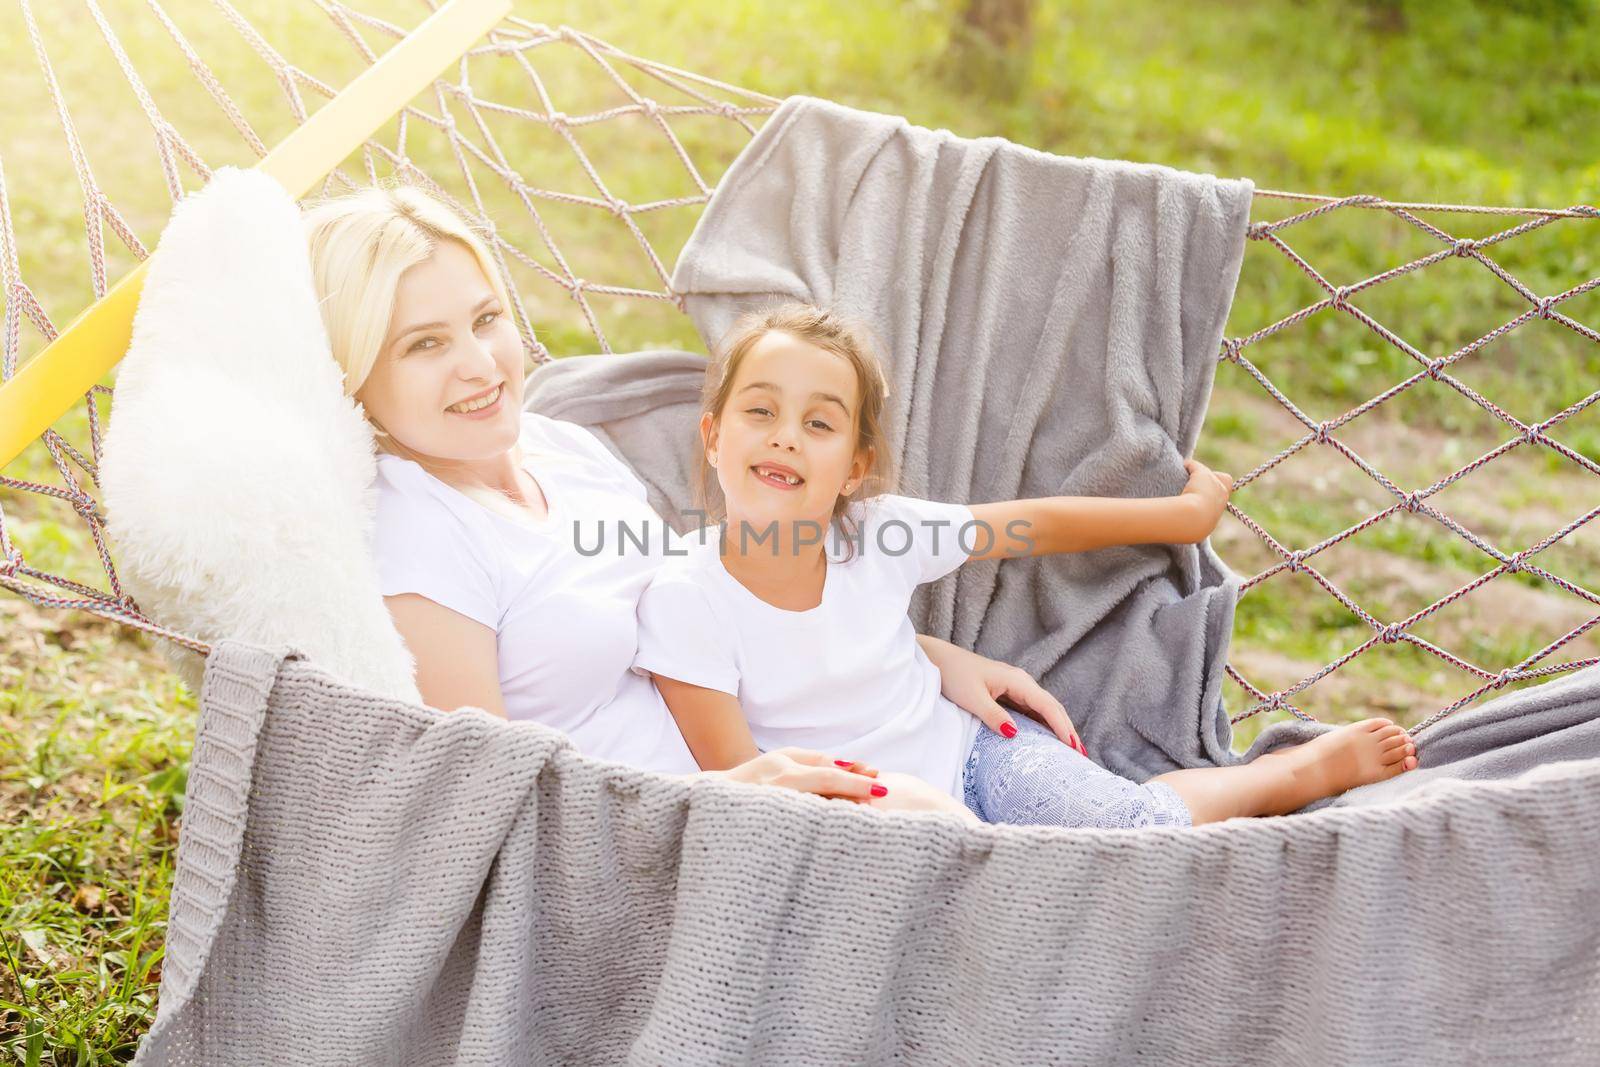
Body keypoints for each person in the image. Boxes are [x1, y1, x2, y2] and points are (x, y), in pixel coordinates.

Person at [298, 182, 1067, 814]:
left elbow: (707, 601)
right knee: (935, 820)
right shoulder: (421, 541)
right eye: (424, 344)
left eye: (485, 319)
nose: (478, 365)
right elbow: (488, 800)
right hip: (666, 835)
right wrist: (721, 794)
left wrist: (928, 658)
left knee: (1034, 810)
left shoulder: (560, 450)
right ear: (354, 369)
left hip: (767, 763)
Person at [631, 303, 1422, 829]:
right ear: (712, 436)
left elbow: (1032, 525)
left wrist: (1181, 518)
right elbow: (746, 784)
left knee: (1127, 832)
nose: (785, 437)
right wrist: (901, 809)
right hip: (866, 816)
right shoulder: (687, 598)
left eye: (819, 422)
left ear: (856, 466)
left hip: (978, 752)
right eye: (760, 411)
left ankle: (1286, 776)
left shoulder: (880, 532)